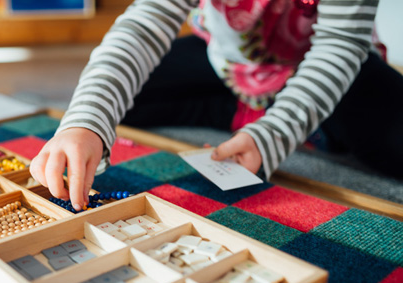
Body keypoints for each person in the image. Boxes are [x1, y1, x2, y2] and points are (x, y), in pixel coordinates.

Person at [30, 0, 403, 211]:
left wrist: (273, 134)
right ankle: (245, 109)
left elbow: (339, 45)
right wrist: (85, 122)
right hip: (230, 63)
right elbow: (144, 26)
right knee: (119, 96)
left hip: (329, 67)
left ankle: (290, 115)